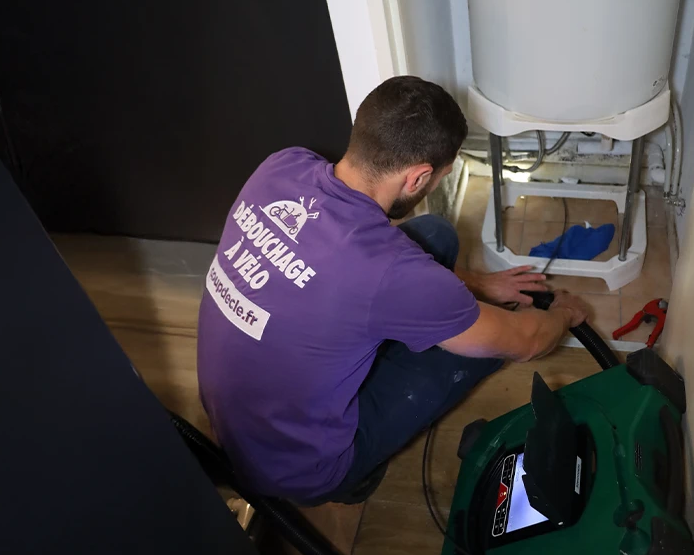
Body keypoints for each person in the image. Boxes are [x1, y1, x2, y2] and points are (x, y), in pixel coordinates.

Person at [196, 76, 590, 504]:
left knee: (435, 234)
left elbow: (392, 275)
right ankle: (354, 479)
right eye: (440, 177)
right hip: (300, 468)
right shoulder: (385, 271)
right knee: (484, 351)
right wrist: (564, 314)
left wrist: (482, 285)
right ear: (419, 177)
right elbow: (525, 342)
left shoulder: (283, 165)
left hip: (234, 423)